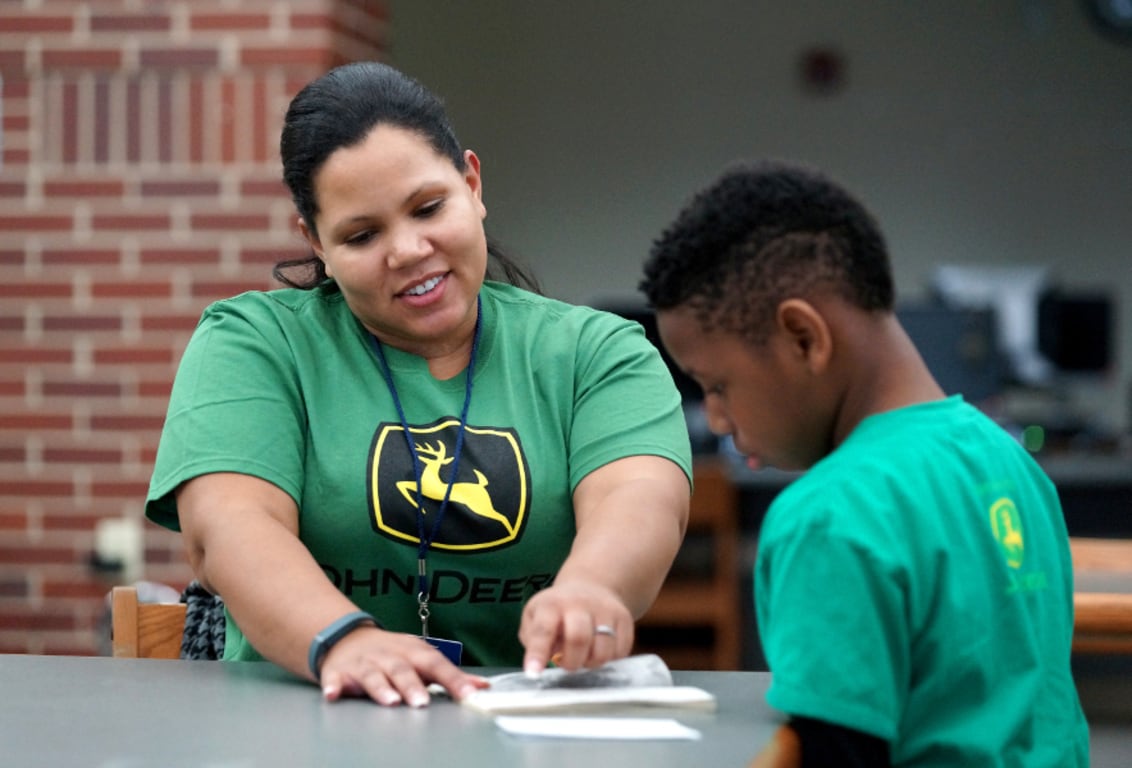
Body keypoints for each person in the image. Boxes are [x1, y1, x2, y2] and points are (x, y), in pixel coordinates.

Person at [146, 61, 692, 708]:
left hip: (524, 724)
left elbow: (641, 500)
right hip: (299, 717)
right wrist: (342, 640)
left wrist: (594, 589)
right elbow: (228, 527)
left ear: (472, 182)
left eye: (428, 207)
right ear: (314, 240)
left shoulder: (596, 353)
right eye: (362, 234)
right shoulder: (253, 344)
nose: (407, 250)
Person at [639, 160, 1088, 766]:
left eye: (716, 384)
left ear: (804, 337)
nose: (716, 418)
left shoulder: (830, 515)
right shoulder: (1011, 461)